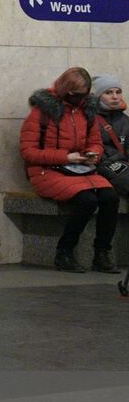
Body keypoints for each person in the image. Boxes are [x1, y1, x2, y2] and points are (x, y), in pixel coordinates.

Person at [20, 67, 118, 273]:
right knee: (87, 200)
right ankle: (64, 252)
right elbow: (28, 152)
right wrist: (65, 156)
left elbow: (95, 142)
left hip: (80, 168)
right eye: (75, 95)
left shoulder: (87, 111)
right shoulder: (41, 114)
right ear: (66, 91)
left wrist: (93, 153)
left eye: (83, 95)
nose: (79, 99)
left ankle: (101, 253)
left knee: (110, 197)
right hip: (46, 171)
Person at [92, 74, 129, 200]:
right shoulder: (89, 119)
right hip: (103, 165)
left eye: (118, 92)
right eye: (108, 92)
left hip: (123, 162)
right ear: (97, 96)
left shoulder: (124, 119)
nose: (115, 97)